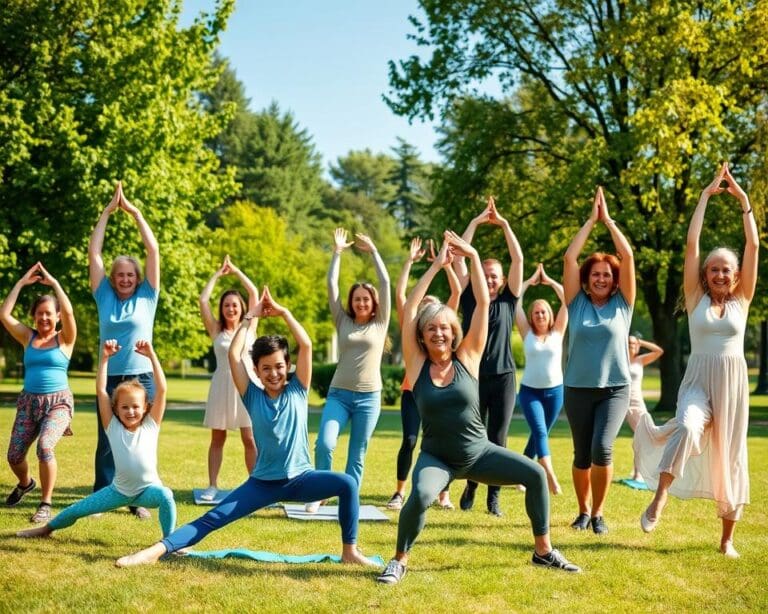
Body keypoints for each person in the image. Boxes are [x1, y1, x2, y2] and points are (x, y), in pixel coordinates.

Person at [114, 287, 377, 568]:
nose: (273, 373)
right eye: (266, 368)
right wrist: (249, 316)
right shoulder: (252, 395)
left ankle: (350, 552)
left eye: (278, 366)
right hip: (262, 483)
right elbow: (233, 355)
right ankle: (153, 552)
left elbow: (307, 345)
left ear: (287, 365)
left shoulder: (298, 390)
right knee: (212, 518)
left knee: (347, 484)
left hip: (301, 479)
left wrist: (284, 312)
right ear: (256, 370)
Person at [377, 233, 580, 585]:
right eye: (431, 329)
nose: (438, 333)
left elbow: (483, 305)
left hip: (479, 453)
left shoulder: (468, 357)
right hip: (437, 458)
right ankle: (399, 560)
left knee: (534, 475)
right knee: (422, 495)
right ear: (421, 336)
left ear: (454, 332)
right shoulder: (416, 364)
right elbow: (408, 309)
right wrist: (436, 267)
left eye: (444, 327)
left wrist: (471, 255)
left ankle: (543, 551)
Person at [634, 162, 758, 559]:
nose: (720, 274)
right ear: (705, 275)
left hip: (734, 387)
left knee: (732, 458)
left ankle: (726, 540)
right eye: (714, 269)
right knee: (687, 426)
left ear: (736, 277)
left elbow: (753, 246)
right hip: (699, 382)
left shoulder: (742, 300)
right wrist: (704, 196)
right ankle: (660, 497)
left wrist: (743, 202)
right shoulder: (695, 300)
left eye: (727, 270)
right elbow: (692, 245)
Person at [17, 338, 175, 539]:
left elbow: (162, 390)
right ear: (116, 409)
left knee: (166, 495)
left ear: (145, 408)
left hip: (148, 490)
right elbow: (101, 391)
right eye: (125, 407)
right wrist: (105, 359)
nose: (131, 411)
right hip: (118, 491)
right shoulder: (113, 427)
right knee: (76, 510)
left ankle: (170, 542)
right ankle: (46, 529)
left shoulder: (151, 426)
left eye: (136, 406)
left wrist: (151, 355)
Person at [562, 186, 635, 535]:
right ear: (587, 281)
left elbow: (629, 256)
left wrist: (609, 223)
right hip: (577, 387)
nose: (601, 278)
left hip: (615, 389)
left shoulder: (624, 305)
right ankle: (582, 510)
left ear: (614, 280)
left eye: (607, 274)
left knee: (601, 448)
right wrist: (591, 222)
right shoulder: (576, 304)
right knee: (580, 454)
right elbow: (569, 259)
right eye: (595, 274)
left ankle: (599, 513)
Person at [89, 181, 160, 520]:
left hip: (142, 376)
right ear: (112, 278)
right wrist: (106, 213)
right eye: (120, 274)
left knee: (140, 439)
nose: (126, 278)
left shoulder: (148, 296)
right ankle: (103, 496)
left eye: (131, 274)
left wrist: (135, 214)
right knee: (108, 441)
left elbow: (153, 252)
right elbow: (94, 254)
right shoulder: (103, 296)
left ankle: (139, 498)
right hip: (111, 374)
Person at [307, 228, 391, 512]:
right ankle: (320, 492)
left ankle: (349, 498)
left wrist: (375, 252)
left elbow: (386, 282)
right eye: (357, 298)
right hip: (339, 395)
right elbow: (331, 285)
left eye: (366, 299)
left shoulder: (380, 323)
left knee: (357, 454)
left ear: (373, 302)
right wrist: (337, 253)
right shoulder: (342, 320)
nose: (361, 302)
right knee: (324, 444)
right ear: (352, 302)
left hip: (369, 398)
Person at [453, 197, 523, 517]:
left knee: (498, 437)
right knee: (473, 434)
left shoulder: (509, 299)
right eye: (487, 274)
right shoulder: (471, 297)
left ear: (503, 279)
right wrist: (476, 223)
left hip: (505, 376)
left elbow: (518, 258)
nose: (492, 279)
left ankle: (493, 496)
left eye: (496, 275)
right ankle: (471, 483)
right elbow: (459, 258)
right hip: (474, 376)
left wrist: (505, 224)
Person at [386, 238, 460, 511]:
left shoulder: (443, 327)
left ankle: (444, 494)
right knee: (409, 440)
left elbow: (456, 293)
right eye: (423, 309)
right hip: (412, 392)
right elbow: (402, 294)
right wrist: (410, 262)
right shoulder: (412, 334)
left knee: (444, 439)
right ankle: (399, 492)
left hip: (441, 391)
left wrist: (447, 266)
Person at [1, 263, 76, 524]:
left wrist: (54, 283)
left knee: (45, 447)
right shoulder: (27, 337)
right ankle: (26, 483)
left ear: (56, 317)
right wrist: (22, 282)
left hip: (58, 404)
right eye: (40, 314)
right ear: (34, 316)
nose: (44, 318)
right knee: (14, 456)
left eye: (49, 314)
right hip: (29, 403)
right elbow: (4, 314)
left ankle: (46, 503)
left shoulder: (65, 339)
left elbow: (69, 310)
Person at [198, 255, 259, 501]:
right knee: (218, 438)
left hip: (247, 385)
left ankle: (256, 486)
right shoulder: (216, 330)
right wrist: (217, 275)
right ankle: (212, 485)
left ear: (242, 308)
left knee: (250, 438)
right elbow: (203, 299)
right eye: (226, 305)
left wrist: (236, 271)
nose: (231, 309)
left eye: (235, 305)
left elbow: (254, 292)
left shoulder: (250, 325)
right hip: (221, 386)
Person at [515, 263, 568, 495]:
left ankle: (520, 476)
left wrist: (549, 281)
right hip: (530, 392)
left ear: (550, 314)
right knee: (539, 431)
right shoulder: (526, 333)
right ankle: (550, 476)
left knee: (539, 435)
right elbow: (515, 300)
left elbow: (568, 299)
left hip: (555, 392)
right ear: (531, 316)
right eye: (535, 312)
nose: (539, 315)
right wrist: (527, 282)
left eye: (543, 311)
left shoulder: (558, 332)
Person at [624, 335, 663, 481]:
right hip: (621, 402)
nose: (631, 345)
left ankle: (638, 472)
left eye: (634, 343)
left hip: (637, 403)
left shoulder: (640, 360)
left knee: (644, 436)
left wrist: (642, 341)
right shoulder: (619, 359)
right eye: (629, 343)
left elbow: (659, 351)